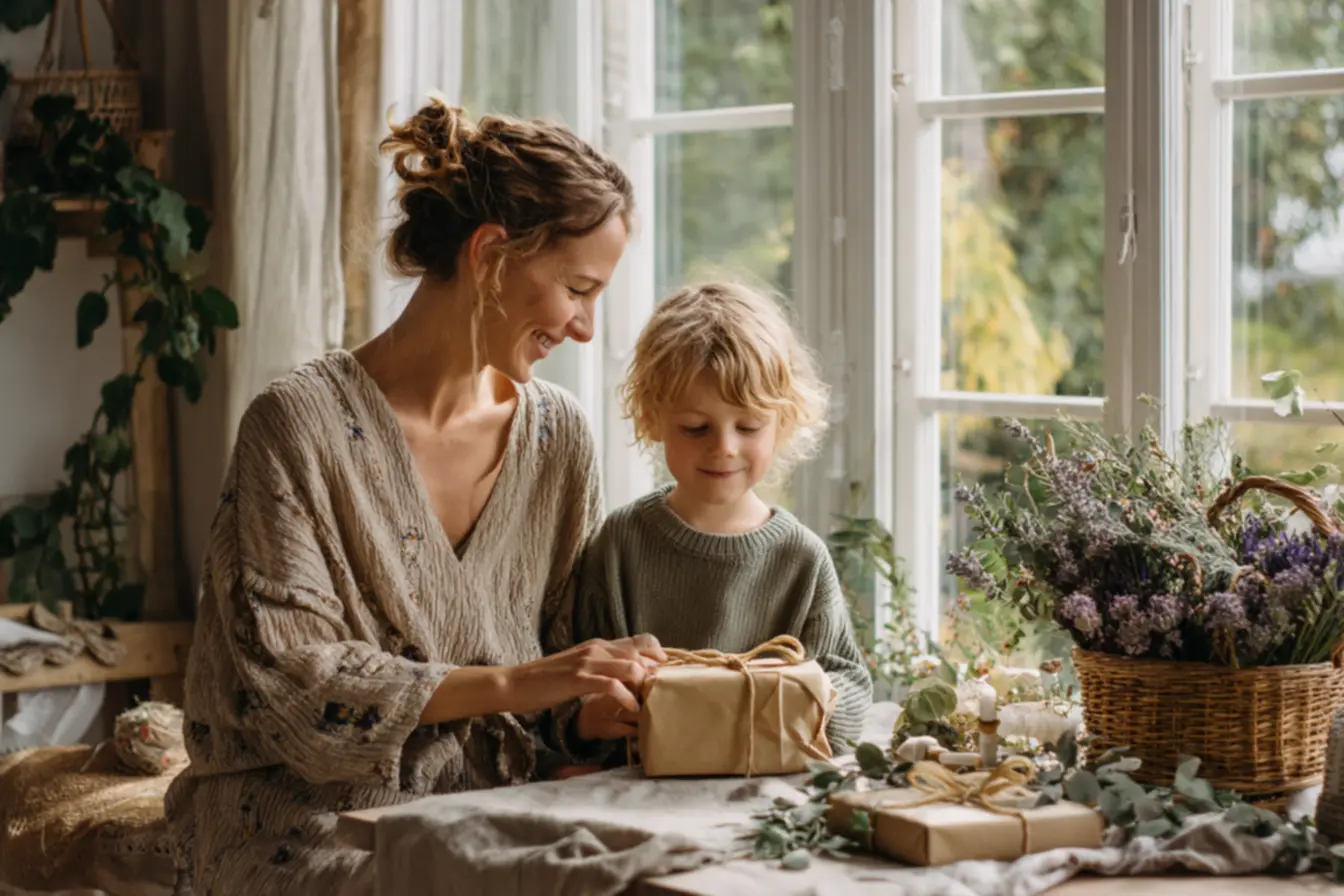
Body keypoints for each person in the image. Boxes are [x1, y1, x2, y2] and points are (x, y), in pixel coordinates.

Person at [164, 97, 665, 895]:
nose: (585, 329)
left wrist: (588, 712)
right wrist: (523, 683)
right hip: (303, 827)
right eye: (578, 288)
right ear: (490, 253)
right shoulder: (296, 425)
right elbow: (296, 690)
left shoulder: (558, 439)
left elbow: (556, 677)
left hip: (492, 814)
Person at [572, 280, 873, 758]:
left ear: (783, 423)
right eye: (696, 428)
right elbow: (569, 685)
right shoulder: (619, 543)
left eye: (748, 426)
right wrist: (587, 719)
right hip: (638, 785)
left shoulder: (802, 558)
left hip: (767, 787)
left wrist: (802, 706)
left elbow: (849, 689)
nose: (725, 447)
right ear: (651, 417)